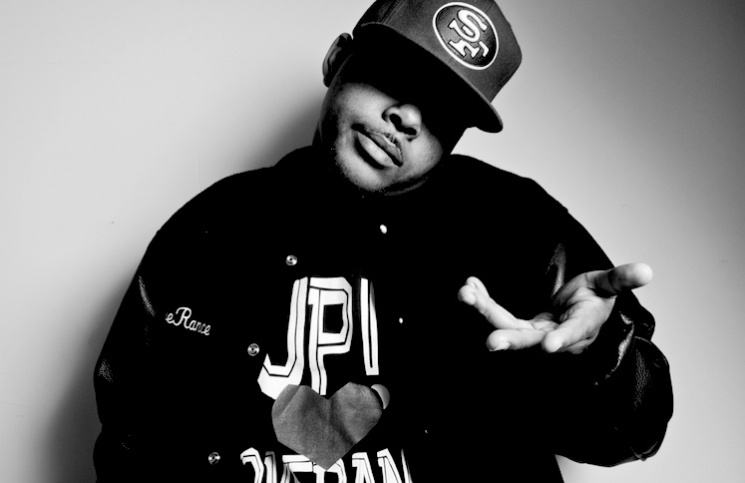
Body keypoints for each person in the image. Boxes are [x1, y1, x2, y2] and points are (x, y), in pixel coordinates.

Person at [93, 0, 673, 481]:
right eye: (395, 74)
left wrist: (597, 355)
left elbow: (633, 435)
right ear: (336, 59)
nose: (408, 118)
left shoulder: (519, 226)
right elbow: (134, 439)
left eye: (442, 110)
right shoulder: (214, 227)